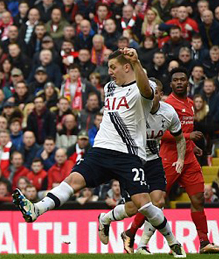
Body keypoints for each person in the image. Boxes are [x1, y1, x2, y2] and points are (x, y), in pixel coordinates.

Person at [12, 48, 186, 257]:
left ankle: (173, 242)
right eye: (109, 67)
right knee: (73, 180)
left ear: (126, 67)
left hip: (128, 154)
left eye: (113, 67)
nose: (110, 71)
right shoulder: (109, 87)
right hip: (101, 149)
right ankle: (37, 209)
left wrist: (137, 62)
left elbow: (146, 91)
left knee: (143, 205)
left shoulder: (144, 87)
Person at [127, 68, 219, 254]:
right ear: (170, 85)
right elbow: (163, 134)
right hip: (169, 159)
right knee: (155, 201)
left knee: (198, 199)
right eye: (175, 80)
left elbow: (183, 136)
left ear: (188, 83)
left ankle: (204, 242)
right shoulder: (166, 105)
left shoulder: (191, 103)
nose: (179, 82)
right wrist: (188, 135)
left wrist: (192, 146)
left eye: (182, 79)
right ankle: (130, 232)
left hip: (189, 159)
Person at [97, 79, 187, 254]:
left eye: (155, 92)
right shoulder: (132, 110)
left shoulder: (169, 113)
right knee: (133, 209)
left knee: (159, 201)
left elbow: (179, 137)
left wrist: (181, 159)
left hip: (153, 160)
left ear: (160, 94)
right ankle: (105, 219)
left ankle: (142, 245)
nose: (151, 94)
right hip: (133, 160)